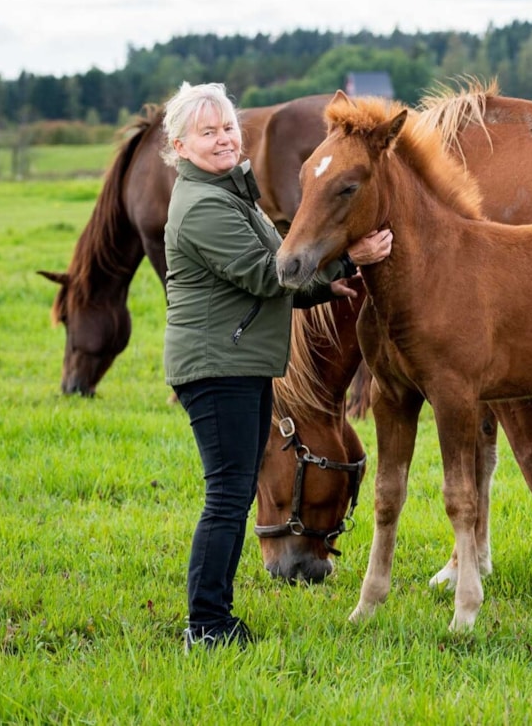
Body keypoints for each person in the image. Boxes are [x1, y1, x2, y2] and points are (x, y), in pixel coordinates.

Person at [160, 82, 392, 652]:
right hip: (218, 370)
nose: (222, 139)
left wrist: (326, 287)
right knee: (228, 497)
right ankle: (206, 625)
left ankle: (211, 619)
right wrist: (347, 255)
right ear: (180, 144)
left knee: (231, 493)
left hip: (240, 363)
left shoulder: (230, 194)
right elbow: (267, 275)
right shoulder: (204, 206)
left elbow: (276, 277)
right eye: (207, 132)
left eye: (227, 128)